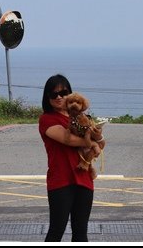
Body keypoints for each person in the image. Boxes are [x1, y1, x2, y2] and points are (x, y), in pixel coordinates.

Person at [39, 74, 95, 242]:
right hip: (61, 181)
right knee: (56, 230)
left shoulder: (81, 118)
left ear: (70, 94)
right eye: (53, 94)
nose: (58, 97)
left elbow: (101, 141)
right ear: (47, 98)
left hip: (84, 179)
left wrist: (96, 141)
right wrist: (91, 143)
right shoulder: (46, 119)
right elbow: (67, 139)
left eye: (63, 93)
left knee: (80, 232)